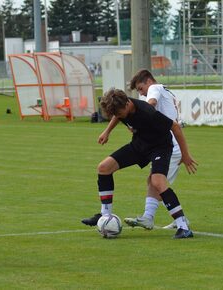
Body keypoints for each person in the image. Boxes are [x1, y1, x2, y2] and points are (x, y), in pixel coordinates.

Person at [81, 88, 197, 239]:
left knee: (157, 181)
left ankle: (183, 226)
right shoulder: (120, 104)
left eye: (119, 113)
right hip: (140, 145)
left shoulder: (147, 112)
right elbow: (117, 116)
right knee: (104, 168)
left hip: (160, 147)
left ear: (128, 105)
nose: (118, 117)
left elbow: (175, 127)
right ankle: (105, 215)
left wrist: (186, 155)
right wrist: (107, 131)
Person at [125, 69, 186, 230]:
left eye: (140, 88)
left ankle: (179, 219)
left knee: (157, 182)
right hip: (168, 143)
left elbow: (150, 103)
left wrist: (138, 119)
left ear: (148, 81)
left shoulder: (155, 88)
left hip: (169, 144)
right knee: (154, 181)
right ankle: (151, 217)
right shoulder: (166, 91)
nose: (142, 94)